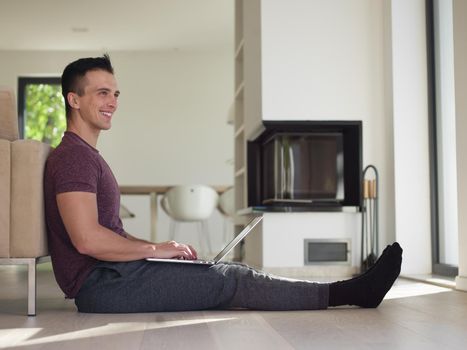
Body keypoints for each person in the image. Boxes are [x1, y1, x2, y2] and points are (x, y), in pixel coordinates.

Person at [44, 54, 402, 313]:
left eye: (116, 93)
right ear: (74, 99)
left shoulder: (85, 155)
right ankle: (350, 293)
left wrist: (160, 245)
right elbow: (87, 238)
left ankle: (345, 290)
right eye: (102, 93)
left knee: (229, 271)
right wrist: (155, 252)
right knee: (231, 281)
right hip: (102, 286)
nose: (113, 102)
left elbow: (110, 232)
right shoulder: (75, 156)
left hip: (114, 275)